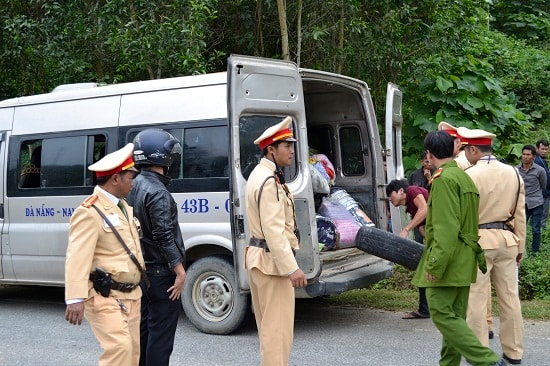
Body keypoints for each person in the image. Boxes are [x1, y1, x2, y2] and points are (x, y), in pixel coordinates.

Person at [411, 130, 505, 366]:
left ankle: (489, 361)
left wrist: (435, 264)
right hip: (464, 260)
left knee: (442, 315)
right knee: (454, 319)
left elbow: (445, 229)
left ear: (429, 154)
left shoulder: (443, 181)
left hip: (448, 261)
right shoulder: (464, 177)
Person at [65, 143, 145, 366]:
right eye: (130, 177)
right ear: (116, 178)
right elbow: (77, 256)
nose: (133, 182)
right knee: (119, 351)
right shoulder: (89, 212)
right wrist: (75, 298)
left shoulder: (123, 206)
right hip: (105, 296)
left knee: (132, 354)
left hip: (131, 295)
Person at [459, 127, 526, 365]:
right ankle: (514, 353)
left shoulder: (470, 174)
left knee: (475, 300)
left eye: (466, 150)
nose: (466, 155)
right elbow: (520, 214)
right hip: (508, 240)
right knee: (510, 297)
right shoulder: (514, 173)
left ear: (474, 148)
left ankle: (480, 354)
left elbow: (463, 215)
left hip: (478, 241)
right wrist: (521, 247)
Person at [245, 116, 307, 366]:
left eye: (292, 145)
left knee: (269, 330)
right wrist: (291, 267)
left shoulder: (262, 174)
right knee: (277, 333)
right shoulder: (268, 180)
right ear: (271, 150)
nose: (292, 151)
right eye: (287, 146)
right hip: (271, 264)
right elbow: (274, 231)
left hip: (261, 260)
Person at [127, 129, 186, 366]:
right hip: (162, 275)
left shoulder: (132, 185)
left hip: (142, 271)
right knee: (161, 338)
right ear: (162, 156)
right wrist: (180, 271)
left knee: (144, 332)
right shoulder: (159, 192)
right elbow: (163, 235)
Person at [386, 179, 430, 319]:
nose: (389, 198)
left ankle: (425, 310)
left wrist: (406, 229)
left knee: (425, 272)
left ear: (400, 191)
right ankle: (424, 309)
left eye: (390, 194)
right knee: (423, 271)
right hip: (436, 238)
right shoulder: (410, 207)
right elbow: (422, 227)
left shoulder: (412, 191)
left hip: (445, 232)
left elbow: (424, 209)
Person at [517, 144, 547, 254]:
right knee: (520, 228)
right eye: (523, 154)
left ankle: (535, 251)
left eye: (528, 155)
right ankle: (520, 250)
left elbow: (543, 185)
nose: (525, 157)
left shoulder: (540, 170)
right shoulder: (516, 169)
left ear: (533, 156)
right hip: (522, 203)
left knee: (535, 229)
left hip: (536, 202)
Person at [534, 139, 550, 228]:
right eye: (542, 149)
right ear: (537, 149)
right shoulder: (539, 160)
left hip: (541, 192)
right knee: (542, 216)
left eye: (546, 149)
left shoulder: (541, 160)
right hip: (543, 192)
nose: (544, 151)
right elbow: (546, 179)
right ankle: (541, 235)